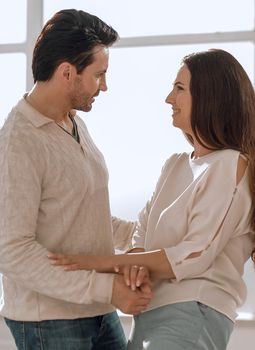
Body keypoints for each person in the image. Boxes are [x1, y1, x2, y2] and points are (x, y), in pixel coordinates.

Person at [49, 49, 255, 350]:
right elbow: (141, 233)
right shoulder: (175, 165)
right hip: (149, 317)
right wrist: (135, 260)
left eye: (180, 89)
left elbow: (194, 255)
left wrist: (95, 263)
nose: (169, 99)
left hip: (192, 314)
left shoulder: (230, 164)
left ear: (211, 97)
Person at [0, 9, 153, 350]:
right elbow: (12, 251)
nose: (105, 86)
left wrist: (142, 240)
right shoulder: (18, 143)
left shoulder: (72, 122)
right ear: (67, 72)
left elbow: (83, 211)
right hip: (50, 323)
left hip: (96, 311)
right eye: (99, 75)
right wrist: (109, 288)